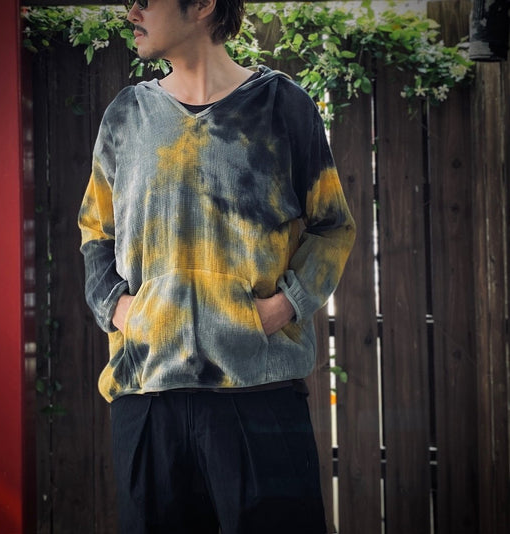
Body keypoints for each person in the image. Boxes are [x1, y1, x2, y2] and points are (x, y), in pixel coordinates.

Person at [78, 0, 356, 532]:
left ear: (203, 5)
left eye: (145, 0)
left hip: (260, 393)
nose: (131, 12)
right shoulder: (126, 116)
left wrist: (283, 307)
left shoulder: (282, 107)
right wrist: (119, 309)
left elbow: (333, 226)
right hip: (148, 396)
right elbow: (96, 230)